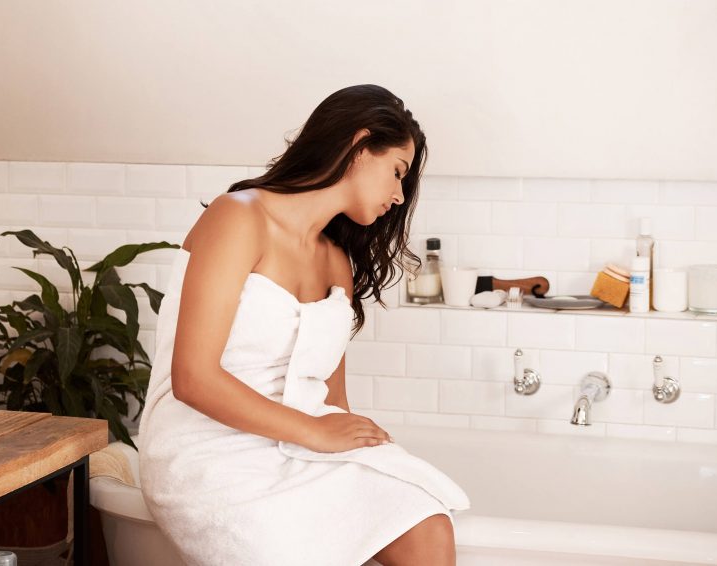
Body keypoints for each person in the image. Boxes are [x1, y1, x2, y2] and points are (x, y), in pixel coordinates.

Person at [137, 84, 470, 566]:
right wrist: (315, 435)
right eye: (397, 173)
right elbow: (193, 379)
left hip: (300, 439)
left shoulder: (336, 263)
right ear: (359, 146)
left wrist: (356, 444)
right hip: (209, 449)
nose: (399, 197)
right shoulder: (239, 217)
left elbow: (331, 398)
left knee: (427, 524)